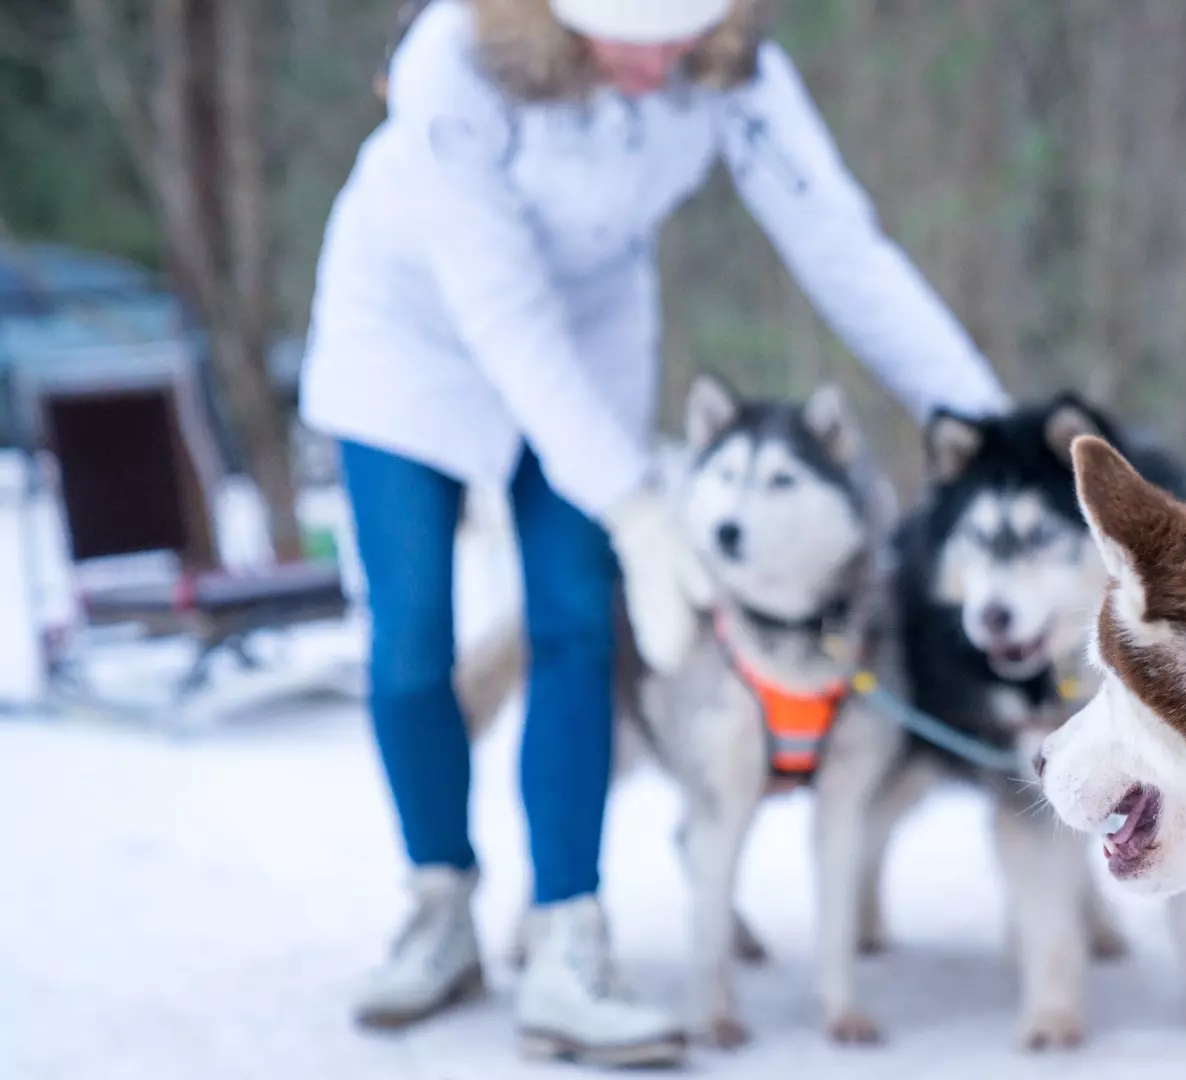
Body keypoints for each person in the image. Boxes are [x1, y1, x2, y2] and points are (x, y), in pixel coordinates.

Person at [299, 0, 1007, 1066]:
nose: (654, 61)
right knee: (410, 648)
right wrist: (633, 505)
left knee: (579, 624)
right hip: (411, 345)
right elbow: (501, 307)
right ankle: (439, 901)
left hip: (588, 343)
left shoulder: (731, 70)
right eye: (628, 31)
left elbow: (841, 248)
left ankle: (568, 935)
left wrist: (988, 435)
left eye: (677, 30)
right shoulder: (454, 60)